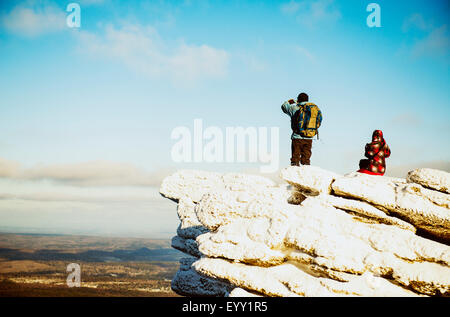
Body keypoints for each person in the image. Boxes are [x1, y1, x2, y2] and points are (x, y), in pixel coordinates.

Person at [281, 92, 322, 166]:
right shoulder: (313, 109)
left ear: (298, 99)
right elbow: (319, 121)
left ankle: (294, 173)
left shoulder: (294, 108)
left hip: (297, 137)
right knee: (306, 160)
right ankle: (305, 174)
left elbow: (284, 106)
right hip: (309, 137)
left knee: (295, 159)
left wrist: (291, 101)